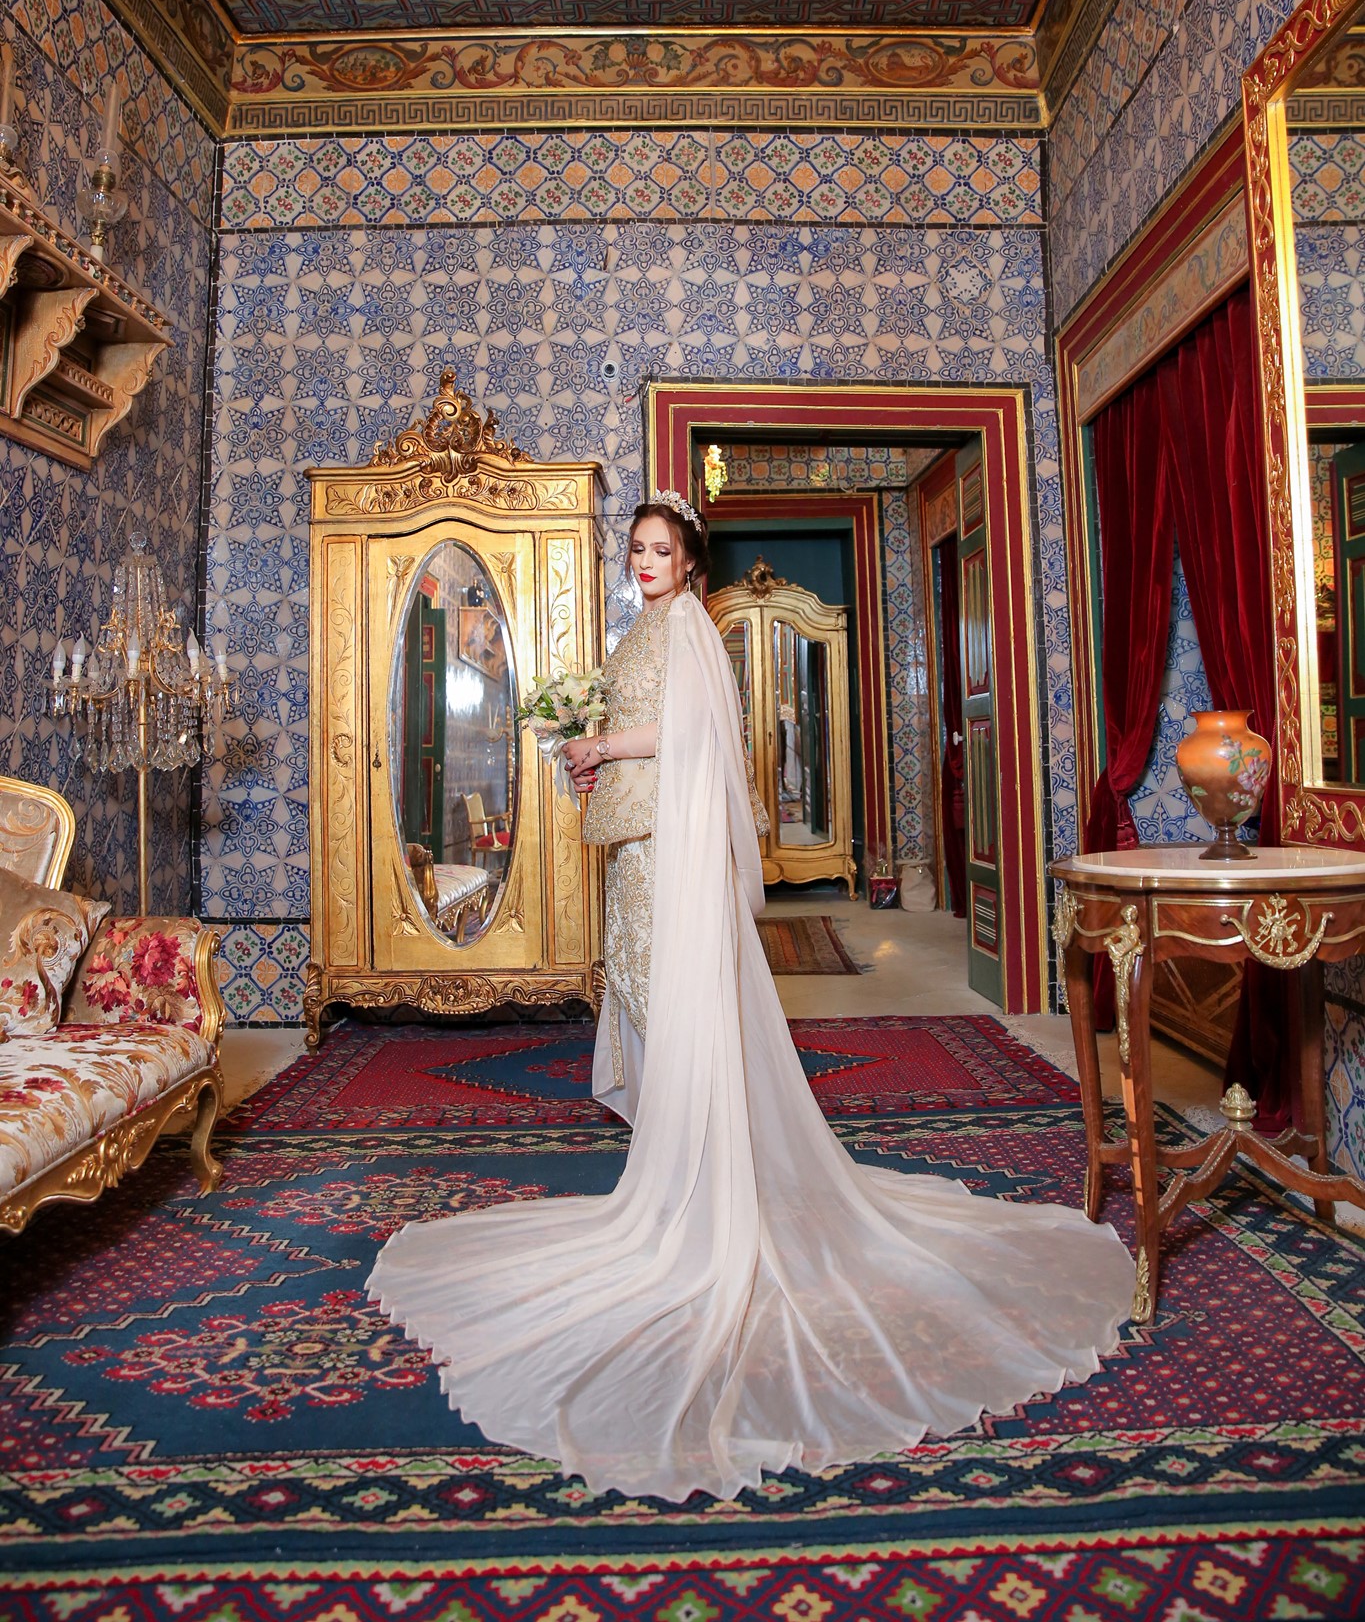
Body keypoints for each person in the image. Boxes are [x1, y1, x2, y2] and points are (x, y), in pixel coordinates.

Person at [368, 493, 1136, 1503]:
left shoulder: (689, 623)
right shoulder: (642, 627)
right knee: (646, 998)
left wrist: (603, 746)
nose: (645, 562)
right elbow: (640, 731)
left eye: (660, 550)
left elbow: (693, 738)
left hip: (670, 853)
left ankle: (701, 1188)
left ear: (689, 560)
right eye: (636, 549)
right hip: (638, 848)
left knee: (679, 1001)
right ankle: (677, 1170)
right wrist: (590, 745)